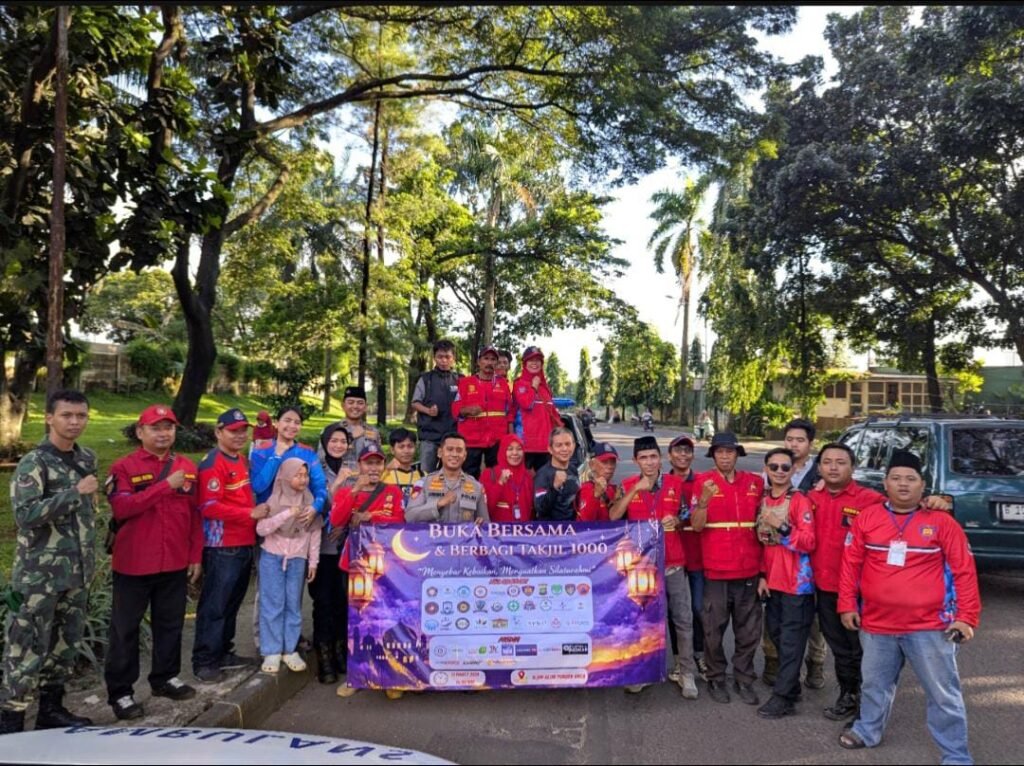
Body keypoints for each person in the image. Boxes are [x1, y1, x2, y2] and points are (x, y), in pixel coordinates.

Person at [838, 451, 981, 764]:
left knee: (943, 693)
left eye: (911, 479)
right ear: (885, 483)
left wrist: (966, 617)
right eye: (896, 478)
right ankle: (867, 730)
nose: (903, 484)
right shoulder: (868, 518)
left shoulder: (942, 522)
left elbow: (964, 571)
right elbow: (850, 564)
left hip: (929, 626)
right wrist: (846, 603)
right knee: (875, 684)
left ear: (923, 485)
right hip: (877, 624)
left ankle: (955, 754)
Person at [808, 442, 953, 722]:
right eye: (827, 462)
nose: (834, 467)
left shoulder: (870, 500)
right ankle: (848, 695)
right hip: (825, 588)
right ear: (819, 468)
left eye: (841, 462)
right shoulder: (811, 498)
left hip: (863, 592)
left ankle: (868, 706)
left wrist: (937, 501)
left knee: (866, 652)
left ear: (853, 467)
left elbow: (908, 506)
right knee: (839, 648)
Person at [0, 390, 98, 734]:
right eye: (67, 415)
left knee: (64, 647)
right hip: (39, 577)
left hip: (76, 573)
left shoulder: (86, 458)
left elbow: (87, 514)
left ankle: (51, 710)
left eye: (81, 416)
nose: (74, 422)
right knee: (25, 648)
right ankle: (11, 720)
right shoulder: (34, 463)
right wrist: (75, 494)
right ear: (49, 418)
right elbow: (25, 516)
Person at [104, 405, 203, 721]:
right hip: (134, 564)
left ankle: (165, 678)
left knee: (170, 624)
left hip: (173, 561)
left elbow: (194, 516)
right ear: (140, 432)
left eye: (169, 427)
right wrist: (164, 486)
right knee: (125, 631)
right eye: (156, 428)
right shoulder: (124, 467)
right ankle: (120, 692)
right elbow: (121, 508)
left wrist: (195, 555)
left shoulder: (187, 466)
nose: (164, 434)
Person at [611, 436, 698, 700]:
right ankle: (642, 672)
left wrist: (678, 520)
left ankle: (686, 672)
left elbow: (687, 517)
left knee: (683, 620)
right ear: (636, 461)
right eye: (643, 458)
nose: (649, 462)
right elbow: (614, 515)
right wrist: (636, 490)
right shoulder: (627, 485)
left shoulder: (675, 484)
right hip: (642, 567)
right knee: (643, 622)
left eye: (653, 457)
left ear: (660, 458)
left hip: (672, 562)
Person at [191, 408, 266, 684]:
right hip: (222, 546)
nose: (240, 435)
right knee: (215, 605)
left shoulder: (240, 459)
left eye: (243, 430)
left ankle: (224, 651)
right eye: (233, 431)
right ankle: (204, 661)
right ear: (218, 432)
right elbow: (208, 506)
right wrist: (249, 514)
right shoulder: (213, 463)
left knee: (232, 602)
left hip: (244, 542)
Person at [691, 432, 764, 706]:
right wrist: (705, 500)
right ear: (713, 455)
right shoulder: (702, 482)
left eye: (729, 452)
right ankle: (716, 677)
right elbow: (697, 526)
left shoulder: (755, 484)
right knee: (713, 630)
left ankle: (744, 679)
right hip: (716, 572)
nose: (725, 456)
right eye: (719, 452)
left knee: (748, 632)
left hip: (748, 571)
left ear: (737, 455)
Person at [330, 444, 407, 699]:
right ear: (360, 466)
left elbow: (400, 521)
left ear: (383, 466)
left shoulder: (393, 491)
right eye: (368, 463)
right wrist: (354, 491)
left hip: (384, 566)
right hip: (352, 565)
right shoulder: (346, 491)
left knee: (385, 620)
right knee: (357, 622)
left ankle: (389, 677)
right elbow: (337, 520)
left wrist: (371, 516)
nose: (373, 468)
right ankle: (357, 677)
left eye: (377, 463)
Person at [755, 448, 816, 719]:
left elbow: (808, 542)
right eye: (773, 467)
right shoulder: (764, 500)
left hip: (796, 584)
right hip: (774, 581)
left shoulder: (799, 501)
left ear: (793, 471)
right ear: (766, 469)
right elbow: (761, 544)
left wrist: (782, 526)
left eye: (784, 467)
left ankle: (782, 698)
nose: (779, 471)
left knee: (791, 641)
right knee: (777, 636)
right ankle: (791, 688)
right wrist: (762, 575)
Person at [256, 459, 321, 675]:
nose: (303, 479)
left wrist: (313, 562)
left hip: (297, 559)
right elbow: (262, 529)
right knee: (272, 604)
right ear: (285, 476)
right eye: (297, 475)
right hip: (272, 557)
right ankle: (271, 650)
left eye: (305, 475)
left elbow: (315, 533)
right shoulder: (273, 501)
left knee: (293, 604)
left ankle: (289, 648)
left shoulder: (310, 501)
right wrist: (286, 514)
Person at [311, 423, 356, 684]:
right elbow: (316, 505)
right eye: (334, 440)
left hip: (346, 546)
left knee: (343, 602)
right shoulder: (315, 469)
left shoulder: (353, 471)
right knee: (323, 603)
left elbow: (356, 503)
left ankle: (341, 652)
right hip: (322, 546)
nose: (338, 445)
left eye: (343, 441)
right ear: (325, 441)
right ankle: (324, 657)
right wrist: (336, 484)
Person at [667, 433, 709, 681]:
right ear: (669, 455)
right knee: (676, 612)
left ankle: (699, 654)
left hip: (696, 556)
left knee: (698, 608)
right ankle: (679, 660)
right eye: (678, 450)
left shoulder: (704, 481)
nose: (683, 455)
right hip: (671, 557)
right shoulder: (660, 482)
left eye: (687, 451)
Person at [250, 405, 328, 518]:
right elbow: (257, 487)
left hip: (300, 518)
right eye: (287, 420)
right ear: (276, 423)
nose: (292, 425)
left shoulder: (308, 453)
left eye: (297, 422)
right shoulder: (261, 451)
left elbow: (320, 484)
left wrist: (316, 507)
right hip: (269, 520)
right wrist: (276, 456)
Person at [451, 346, 512, 478]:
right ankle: (469, 498)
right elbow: (455, 409)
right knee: (468, 477)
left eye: (493, 359)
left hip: (496, 440)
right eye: (486, 358)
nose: (489, 362)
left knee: (496, 475)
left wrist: (510, 437)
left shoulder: (503, 384)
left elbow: (510, 411)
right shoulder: (465, 383)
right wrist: (466, 410)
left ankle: (492, 498)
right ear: (479, 362)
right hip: (471, 439)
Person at [406, 433, 489, 524]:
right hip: (432, 538)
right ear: (440, 453)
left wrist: (481, 524)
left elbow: (485, 524)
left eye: (459, 450)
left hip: (463, 538)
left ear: (464, 455)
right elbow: (410, 516)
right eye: (450, 449)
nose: (454, 454)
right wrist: (438, 504)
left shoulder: (476, 487)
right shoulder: (423, 483)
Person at [410, 340, 461, 474]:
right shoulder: (425, 379)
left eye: (447, 357)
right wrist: (427, 410)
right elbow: (415, 402)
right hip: (430, 436)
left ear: (453, 359)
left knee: (452, 474)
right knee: (426, 475)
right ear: (434, 358)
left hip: (453, 436)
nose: (444, 360)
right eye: (440, 357)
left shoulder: (460, 379)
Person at [512, 346, 563, 472]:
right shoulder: (519, 384)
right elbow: (527, 403)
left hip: (545, 447)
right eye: (531, 360)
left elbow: (552, 413)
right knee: (524, 485)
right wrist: (533, 387)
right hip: (526, 446)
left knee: (544, 485)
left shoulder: (545, 387)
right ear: (524, 364)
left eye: (538, 360)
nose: (535, 363)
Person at [480, 434, 534, 522]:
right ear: (502, 451)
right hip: (497, 533)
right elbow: (484, 509)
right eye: (510, 449)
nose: (515, 453)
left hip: (523, 533)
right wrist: (500, 483)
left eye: (519, 449)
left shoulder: (528, 477)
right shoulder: (489, 474)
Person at [533, 427, 581, 521]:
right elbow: (540, 509)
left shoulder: (573, 469)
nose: (564, 449)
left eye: (568, 444)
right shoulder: (543, 474)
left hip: (573, 530)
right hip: (552, 532)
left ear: (574, 446)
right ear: (550, 449)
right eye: (559, 445)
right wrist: (554, 488)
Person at [576, 442, 619, 522]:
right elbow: (586, 521)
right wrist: (595, 495)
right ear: (592, 465)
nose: (609, 466)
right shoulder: (586, 489)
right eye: (604, 462)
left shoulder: (614, 489)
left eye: (613, 462)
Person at [383, 427, 424, 509]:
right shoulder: (384, 474)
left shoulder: (423, 475)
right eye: (401, 447)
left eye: (410, 446)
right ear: (392, 450)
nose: (406, 451)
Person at [340, 386, 382, 458]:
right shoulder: (331, 430)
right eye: (351, 402)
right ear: (343, 406)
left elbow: (378, 459)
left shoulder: (373, 431)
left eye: (360, 403)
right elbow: (322, 461)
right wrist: (350, 437)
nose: (355, 406)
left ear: (365, 407)